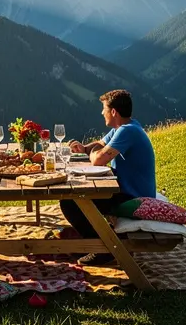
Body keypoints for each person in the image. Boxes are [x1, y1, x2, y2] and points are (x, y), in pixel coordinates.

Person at [66, 89, 155, 265]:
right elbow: (99, 144)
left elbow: (98, 160)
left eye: (104, 109)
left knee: (70, 202)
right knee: (77, 197)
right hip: (126, 190)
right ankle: (99, 241)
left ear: (113, 112)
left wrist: (93, 153)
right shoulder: (123, 127)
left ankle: (105, 248)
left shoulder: (128, 131)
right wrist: (85, 148)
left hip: (134, 198)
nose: (102, 113)